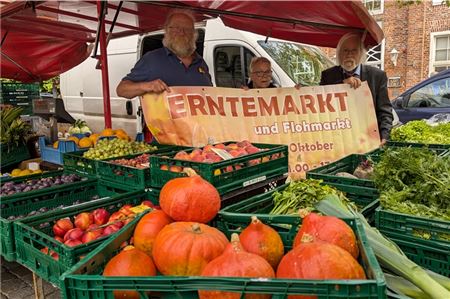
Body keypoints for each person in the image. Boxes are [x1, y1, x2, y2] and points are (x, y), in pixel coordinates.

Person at [116, 9, 212, 99]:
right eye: (176, 28)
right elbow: (121, 90)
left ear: (194, 34)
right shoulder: (151, 59)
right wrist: (147, 86)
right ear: (167, 31)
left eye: (187, 29)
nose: (182, 33)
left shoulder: (201, 63)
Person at [320, 32, 393, 143]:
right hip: (339, 140)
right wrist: (341, 86)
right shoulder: (328, 75)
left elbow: (385, 111)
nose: (349, 55)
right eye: (345, 50)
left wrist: (384, 136)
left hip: (368, 140)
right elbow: (319, 103)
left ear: (361, 54)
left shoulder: (377, 76)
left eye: (354, 51)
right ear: (339, 54)